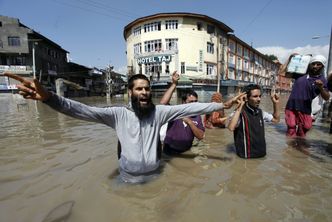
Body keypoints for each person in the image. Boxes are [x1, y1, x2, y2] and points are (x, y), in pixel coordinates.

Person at [5, 72, 244, 183]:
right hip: (127, 180)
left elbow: (192, 109)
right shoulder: (118, 115)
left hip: (155, 177)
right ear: (130, 92)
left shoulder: (159, 112)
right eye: (139, 89)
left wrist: (223, 104)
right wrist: (48, 97)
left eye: (147, 89)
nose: (144, 92)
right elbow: (79, 110)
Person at [283, 54, 330, 137]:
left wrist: (321, 88)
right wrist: (290, 59)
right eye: (313, 64)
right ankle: (289, 149)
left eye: (318, 64)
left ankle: (299, 148)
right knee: (291, 129)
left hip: (306, 108)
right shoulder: (300, 74)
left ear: (322, 67)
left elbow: (327, 97)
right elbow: (284, 74)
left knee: (304, 130)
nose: (315, 66)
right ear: (310, 65)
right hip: (291, 106)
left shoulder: (323, 80)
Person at [228, 84, 280, 159]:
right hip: (246, 159)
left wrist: (276, 103)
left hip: (261, 157)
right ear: (246, 98)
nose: (259, 99)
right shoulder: (239, 113)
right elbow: (231, 127)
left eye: (260, 96)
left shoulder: (260, 112)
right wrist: (240, 106)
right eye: (255, 96)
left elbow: (276, 120)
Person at [159, 71, 205, 155]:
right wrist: (174, 84)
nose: (194, 104)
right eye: (191, 102)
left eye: (195, 101)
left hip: (186, 152)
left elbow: (201, 136)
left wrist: (190, 122)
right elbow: (163, 104)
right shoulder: (176, 111)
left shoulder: (197, 116)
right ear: (184, 102)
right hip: (169, 151)